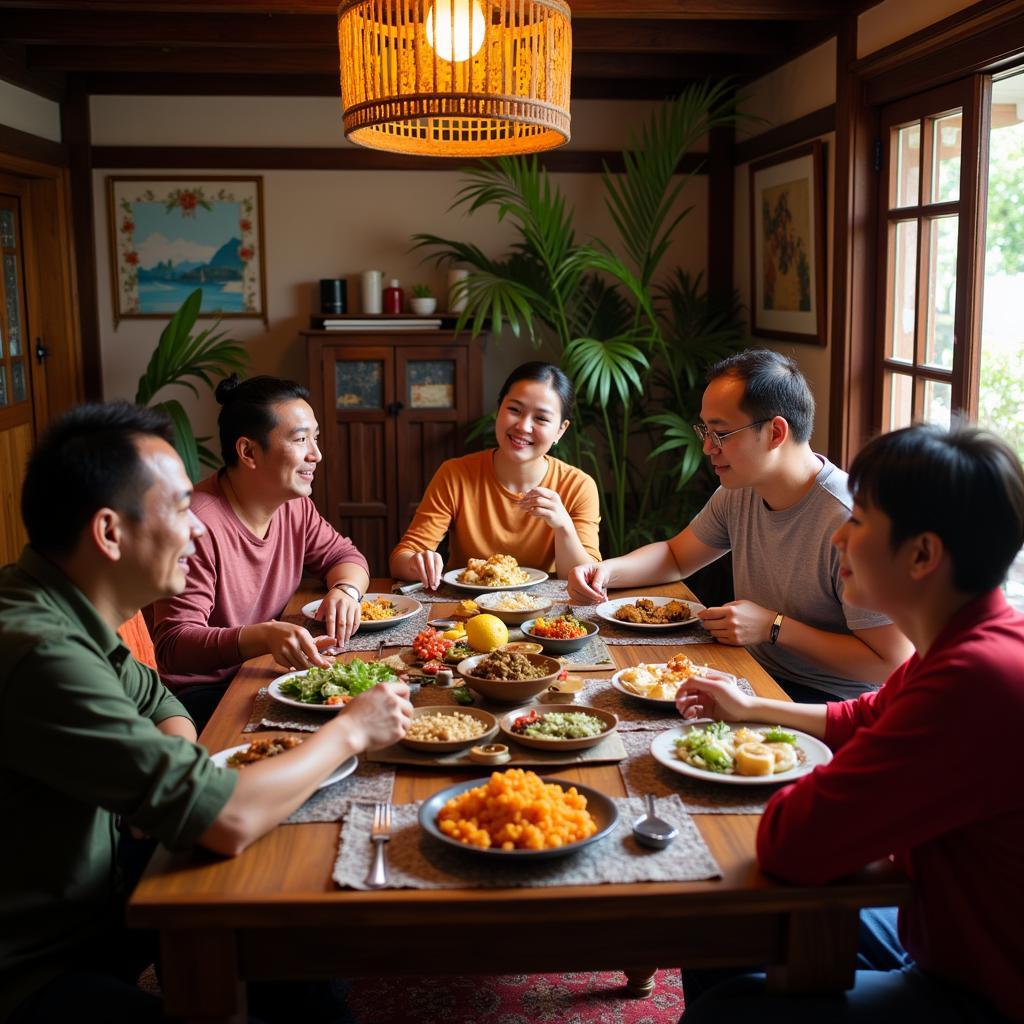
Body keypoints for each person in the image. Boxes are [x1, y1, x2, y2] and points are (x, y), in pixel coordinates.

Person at [0, 402, 412, 1024]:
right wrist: (351, 729)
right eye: (179, 510)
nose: (197, 531)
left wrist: (178, 764)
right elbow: (225, 817)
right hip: (37, 967)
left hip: (104, 888)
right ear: (110, 533)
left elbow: (159, 698)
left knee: (291, 952)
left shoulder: (55, 603)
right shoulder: (40, 650)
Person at [675, 423, 1024, 1023]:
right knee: (720, 931)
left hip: (985, 988)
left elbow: (792, 841)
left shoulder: (974, 679)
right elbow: (864, 716)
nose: (838, 535)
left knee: (726, 1011)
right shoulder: (977, 639)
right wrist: (752, 706)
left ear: (922, 555)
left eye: (858, 520)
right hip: (936, 930)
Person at [569, 349, 912, 701]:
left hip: (829, 703)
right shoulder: (740, 492)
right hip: (751, 673)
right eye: (704, 429)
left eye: (720, 433)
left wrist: (773, 627)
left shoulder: (847, 519)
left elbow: (891, 663)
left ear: (776, 432)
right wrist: (605, 571)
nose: (706, 447)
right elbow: (676, 556)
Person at [151, 375, 371, 731]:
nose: (316, 454)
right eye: (301, 440)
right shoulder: (196, 525)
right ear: (248, 452)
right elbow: (173, 644)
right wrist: (263, 635)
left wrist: (346, 591)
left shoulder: (292, 506)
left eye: (315, 438)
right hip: (207, 695)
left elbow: (346, 556)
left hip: (265, 671)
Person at [389, 361, 601, 586]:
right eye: (514, 410)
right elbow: (401, 558)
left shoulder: (578, 486)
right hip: (467, 610)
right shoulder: (455, 474)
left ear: (561, 429)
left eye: (541, 418)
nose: (523, 426)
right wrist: (417, 562)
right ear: (498, 410)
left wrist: (564, 527)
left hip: (544, 615)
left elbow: (585, 577)